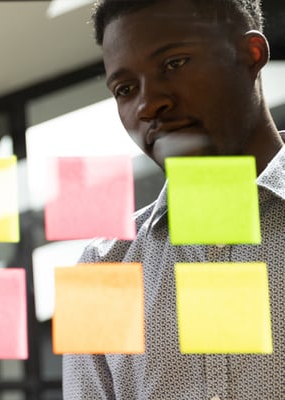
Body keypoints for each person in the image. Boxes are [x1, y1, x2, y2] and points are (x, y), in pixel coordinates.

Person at [63, 0, 285, 398]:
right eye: (125, 89)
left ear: (250, 55)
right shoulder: (101, 272)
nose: (149, 104)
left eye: (175, 64)